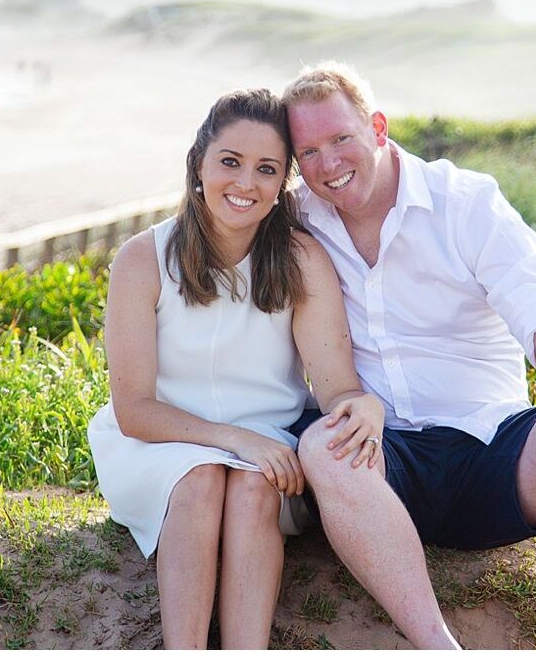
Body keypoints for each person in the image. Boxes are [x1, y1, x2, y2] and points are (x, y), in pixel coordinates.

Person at [281, 62, 536, 650]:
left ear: (376, 127)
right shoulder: (299, 220)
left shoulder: (467, 203)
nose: (327, 165)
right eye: (309, 152)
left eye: (340, 139)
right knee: (325, 444)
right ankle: (440, 645)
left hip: (492, 452)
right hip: (384, 465)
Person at [87, 88, 384, 650]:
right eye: (230, 162)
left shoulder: (301, 259)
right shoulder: (143, 259)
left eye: (266, 169)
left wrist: (360, 403)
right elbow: (134, 411)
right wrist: (233, 440)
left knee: (251, 489)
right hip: (156, 449)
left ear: (281, 187)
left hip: (267, 456)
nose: (245, 183)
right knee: (200, 480)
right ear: (199, 164)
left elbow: (339, 384)